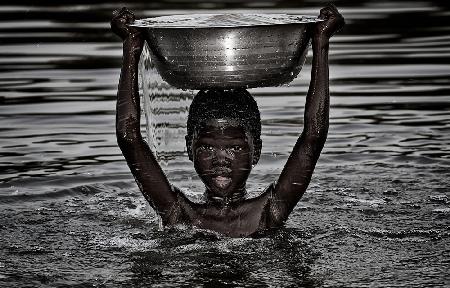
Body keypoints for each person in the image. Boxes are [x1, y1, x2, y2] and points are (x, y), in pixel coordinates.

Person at [111, 4, 344, 237]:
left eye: (234, 148)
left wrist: (321, 42)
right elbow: (129, 137)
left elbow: (313, 135)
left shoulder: (268, 212)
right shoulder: (179, 214)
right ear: (189, 148)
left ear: (256, 151)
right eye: (206, 147)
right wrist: (131, 45)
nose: (219, 160)